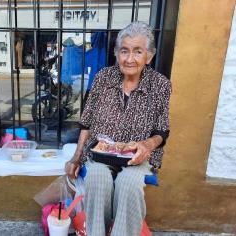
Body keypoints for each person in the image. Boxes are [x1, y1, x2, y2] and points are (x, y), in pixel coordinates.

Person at [65, 22, 172, 236]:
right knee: (97, 178)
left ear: (149, 56)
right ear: (116, 54)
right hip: (101, 153)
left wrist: (146, 145)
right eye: (124, 51)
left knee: (128, 184)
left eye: (138, 51)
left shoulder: (160, 85)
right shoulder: (103, 78)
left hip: (136, 157)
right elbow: (86, 122)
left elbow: (162, 130)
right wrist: (77, 157)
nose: (129, 59)